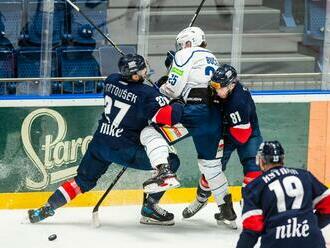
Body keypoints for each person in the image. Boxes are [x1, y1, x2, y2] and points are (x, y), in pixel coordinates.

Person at [28, 53, 184, 226]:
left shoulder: (111, 80)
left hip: (100, 143)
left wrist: (155, 95)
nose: (145, 70)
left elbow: (132, 95)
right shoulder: (146, 94)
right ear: (135, 75)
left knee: (81, 181)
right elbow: (168, 117)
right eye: (142, 69)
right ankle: (150, 207)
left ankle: (46, 208)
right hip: (125, 148)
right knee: (172, 161)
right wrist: (177, 102)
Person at [156, 26, 237, 228]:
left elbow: (173, 90)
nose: (180, 47)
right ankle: (226, 209)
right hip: (212, 115)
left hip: (190, 113)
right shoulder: (212, 57)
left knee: (151, 133)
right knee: (211, 166)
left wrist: (160, 86)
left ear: (187, 42)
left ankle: (161, 173)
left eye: (181, 44)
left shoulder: (184, 53)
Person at [182, 64, 262, 222]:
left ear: (232, 85)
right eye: (214, 85)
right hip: (227, 132)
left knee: (253, 169)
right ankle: (200, 200)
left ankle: (249, 206)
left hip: (246, 133)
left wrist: (218, 135)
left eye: (219, 87)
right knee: (211, 172)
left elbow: (241, 136)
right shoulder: (217, 90)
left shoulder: (238, 101)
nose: (215, 90)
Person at [236, 140, 330, 248]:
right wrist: (310, 225)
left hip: (276, 243)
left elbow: (252, 228)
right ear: (282, 159)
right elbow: (328, 205)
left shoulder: (254, 187)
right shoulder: (305, 176)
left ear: (261, 161)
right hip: (313, 242)